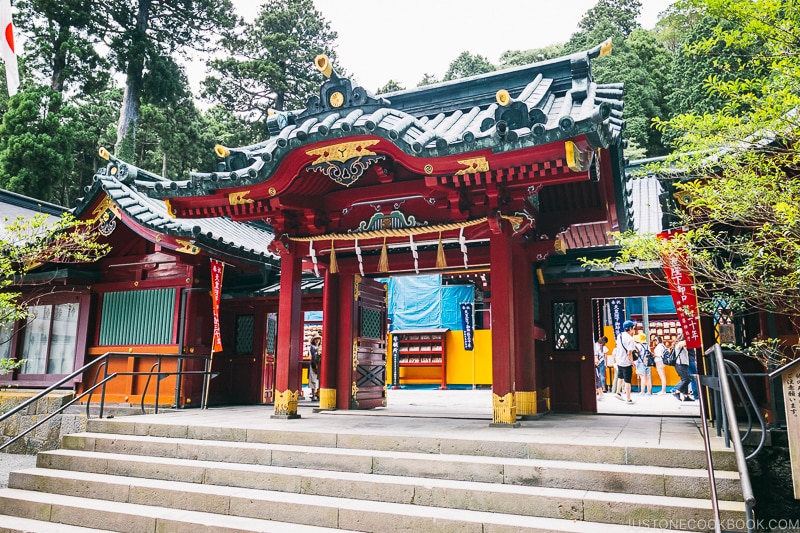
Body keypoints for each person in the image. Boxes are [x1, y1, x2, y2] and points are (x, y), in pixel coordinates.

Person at [614, 320, 636, 404]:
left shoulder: (619, 335)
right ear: (630, 328)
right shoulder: (630, 339)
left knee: (620, 377)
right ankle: (628, 399)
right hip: (626, 362)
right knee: (627, 381)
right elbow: (629, 352)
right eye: (633, 328)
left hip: (619, 361)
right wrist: (632, 362)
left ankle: (618, 392)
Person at [672, 333, 694, 402]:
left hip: (683, 364)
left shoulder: (680, 344)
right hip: (680, 364)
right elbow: (687, 342)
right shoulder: (679, 344)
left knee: (684, 379)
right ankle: (677, 392)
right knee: (687, 379)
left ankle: (686, 396)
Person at [308, 336, 321, 401]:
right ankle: (313, 394)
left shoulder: (321, 347)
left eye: (318, 339)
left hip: (320, 365)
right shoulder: (312, 347)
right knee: (313, 379)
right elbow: (312, 356)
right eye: (316, 339)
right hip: (313, 364)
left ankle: (318, 394)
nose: (317, 340)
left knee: (319, 380)